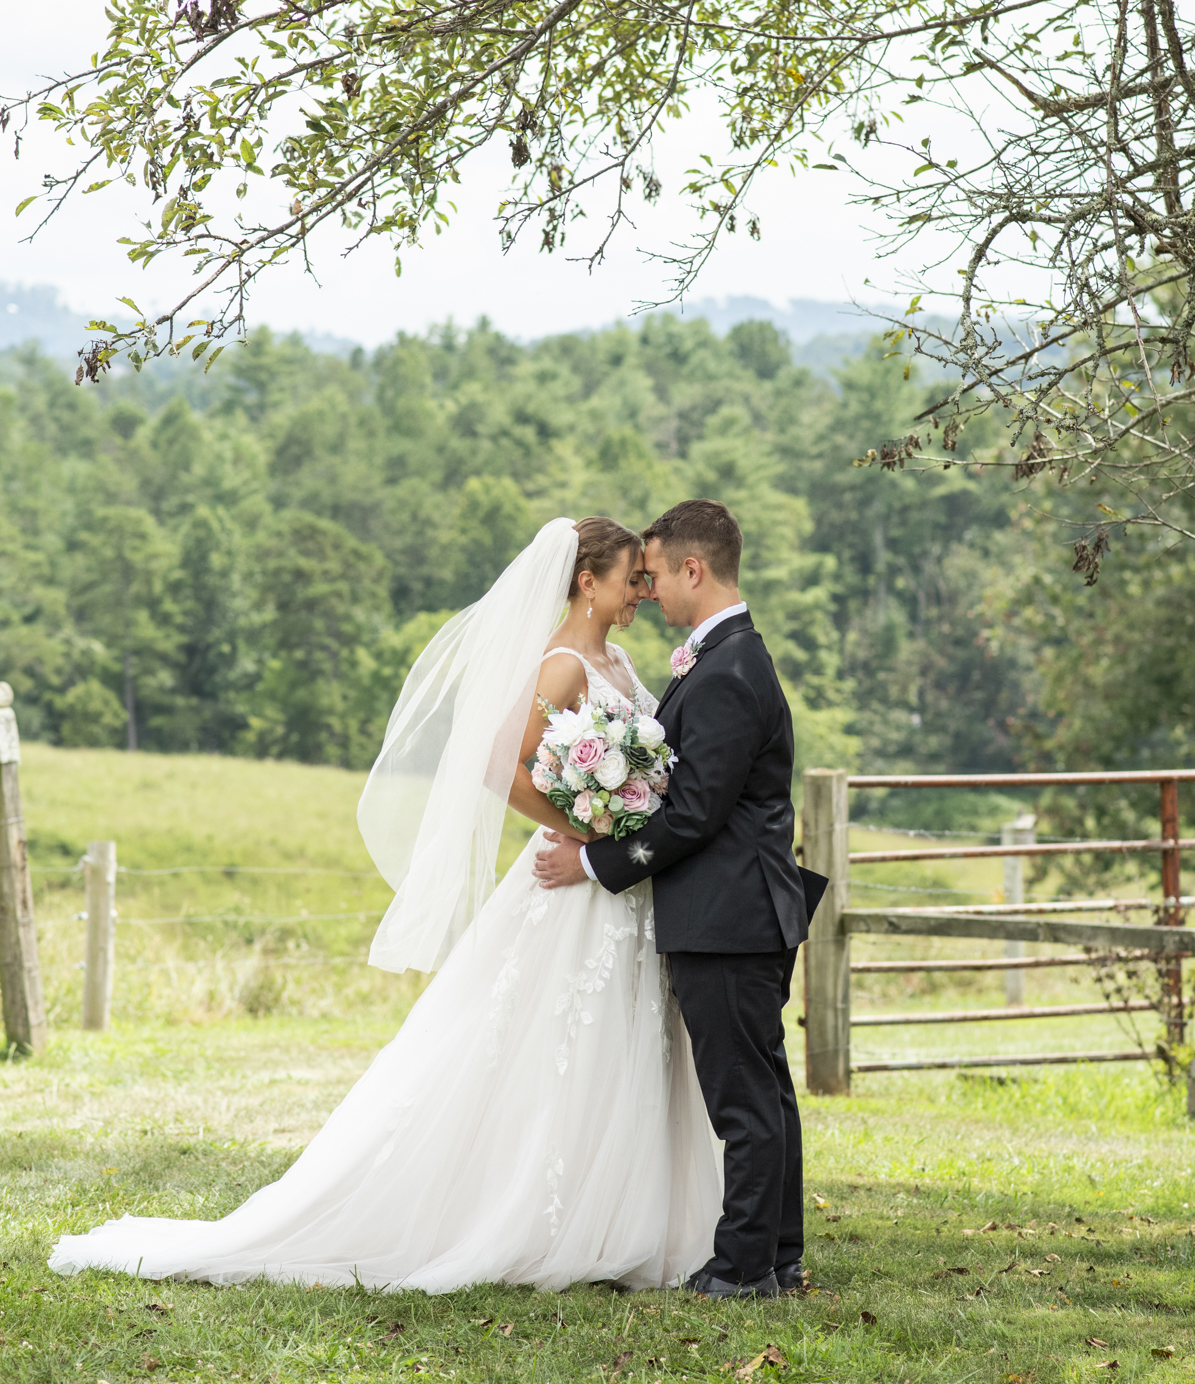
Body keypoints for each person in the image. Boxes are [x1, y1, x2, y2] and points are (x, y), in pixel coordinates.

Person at [48, 517, 722, 1293]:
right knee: (558, 1043)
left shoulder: (619, 656)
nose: (642, 590)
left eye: (646, 578)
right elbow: (501, 768)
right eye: (631, 577)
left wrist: (620, 828)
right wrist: (584, 834)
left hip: (617, 884)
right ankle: (541, 1221)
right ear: (586, 581)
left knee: (622, 1042)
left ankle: (626, 1217)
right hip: (573, 879)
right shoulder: (564, 664)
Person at [534, 499, 814, 1300]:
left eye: (653, 574)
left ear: (694, 569)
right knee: (762, 1091)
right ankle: (775, 1256)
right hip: (734, 910)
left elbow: (693, 814)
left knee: (743, 1100)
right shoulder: (721, 657)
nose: (647, 591)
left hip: (727, 916)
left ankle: (742, 1269)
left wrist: (595, 864)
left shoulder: (726, 670)